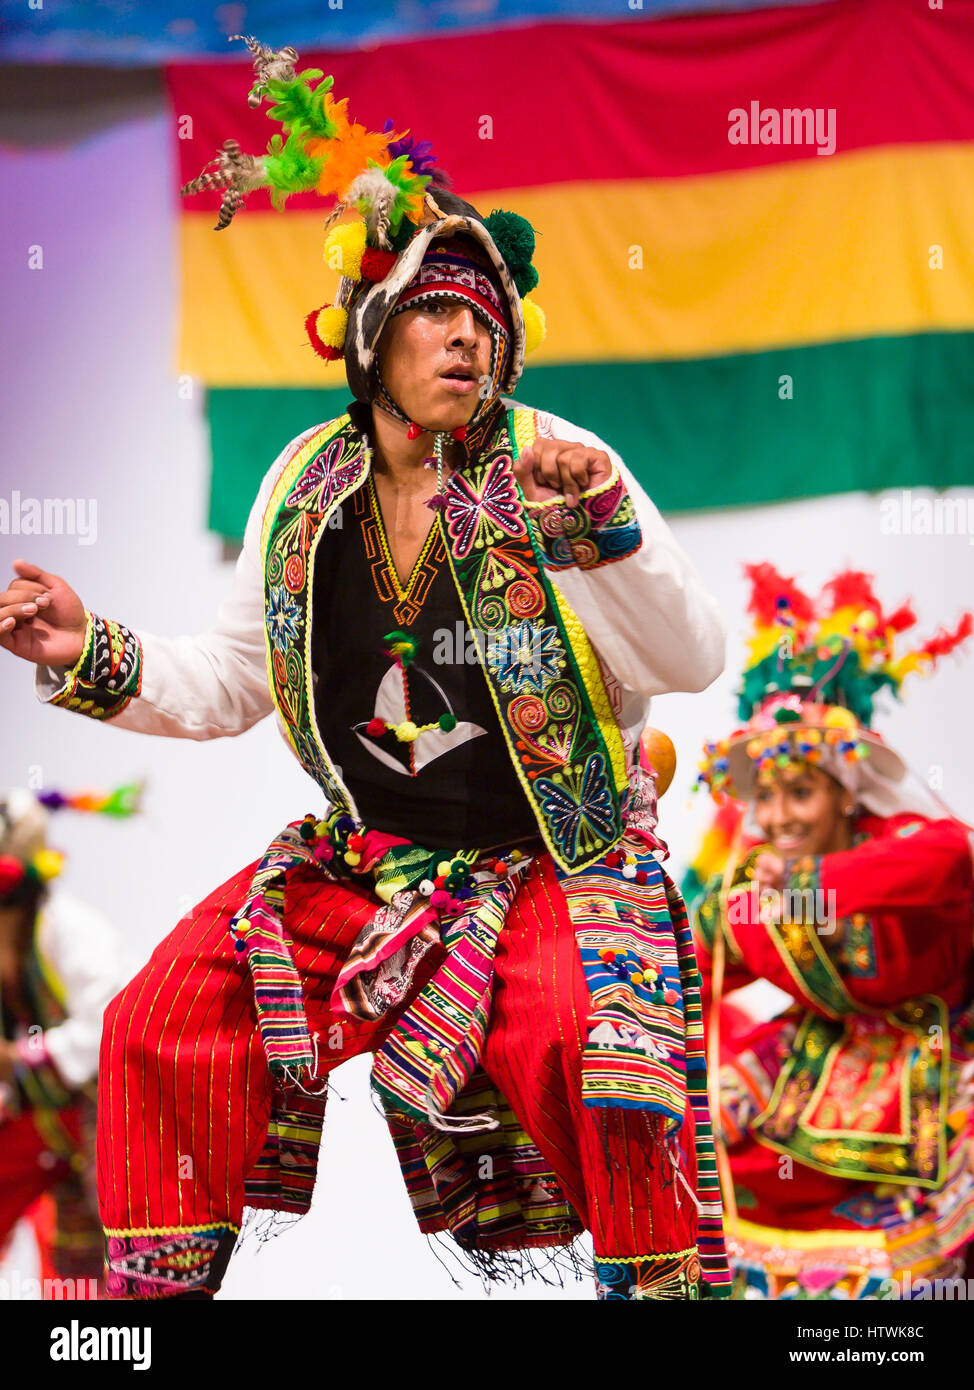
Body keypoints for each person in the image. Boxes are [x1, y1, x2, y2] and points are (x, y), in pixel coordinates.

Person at [0, 47, 729, 1300]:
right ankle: (138, 1315)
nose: (466, 337)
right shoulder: (301, 486)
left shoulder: (563, 462)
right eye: (437, 314)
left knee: (596, 1054)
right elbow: (229, 682)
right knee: (156, 1022)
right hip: (367, 858)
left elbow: (693, 657)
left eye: (486, 321)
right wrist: (84, 647)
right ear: (370, 337)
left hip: (556, 854)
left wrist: (601, 527)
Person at [689, 563, 974, 1299]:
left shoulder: (909, 839)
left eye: (802, 792)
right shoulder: (759, 887)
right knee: (696, 1140)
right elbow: (696, 961)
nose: (779, 817)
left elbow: (954, 860)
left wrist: (813, 890)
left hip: (945, 1057)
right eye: (767, 797)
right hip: (826, 1064)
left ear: (846, 792)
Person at [0, 784, 135, 1297]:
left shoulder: (71, 930)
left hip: (102, 1112)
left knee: (124, 1242)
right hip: (41, 1117)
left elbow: (115, 1016)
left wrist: (24, 1058)